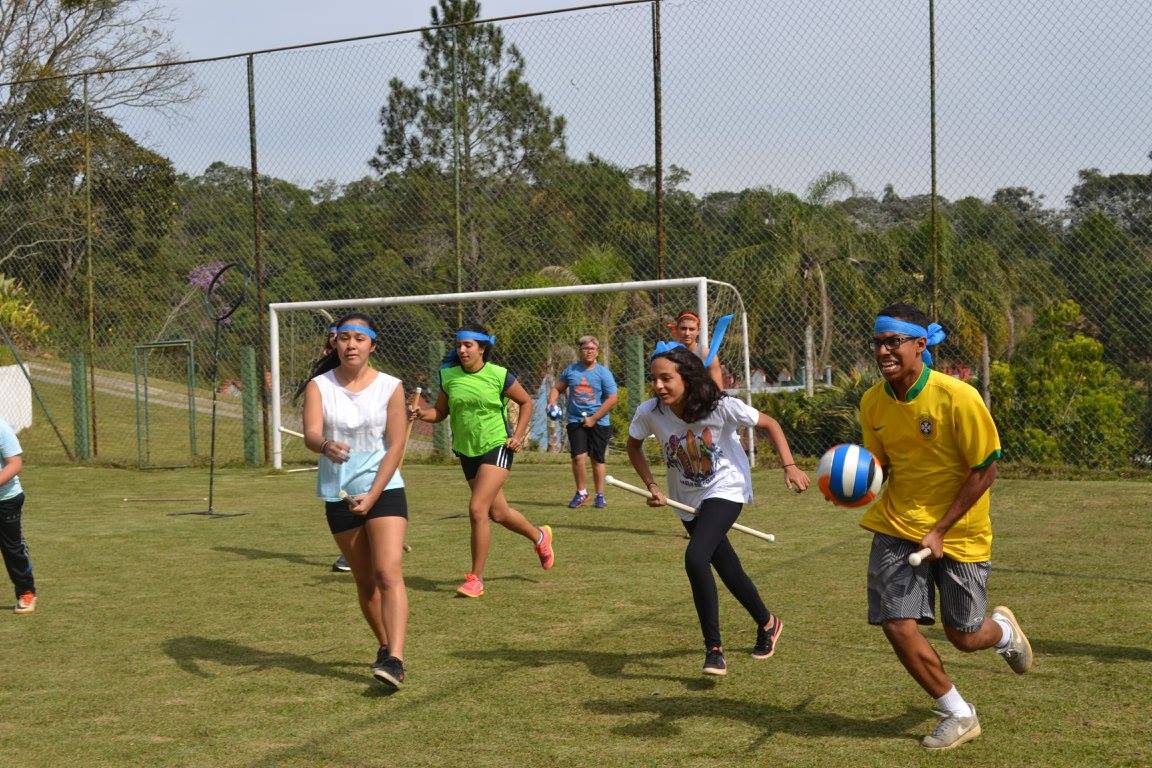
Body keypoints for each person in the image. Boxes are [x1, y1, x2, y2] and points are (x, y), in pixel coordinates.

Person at [859, 303, 1033, 751]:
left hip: (960, 533)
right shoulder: (873, 402)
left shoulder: (959, 397)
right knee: (897, 623)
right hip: (898, 525)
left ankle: (1005, 633)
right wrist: (856, 481)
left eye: (893, 342)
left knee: (965, 635)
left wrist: (939, 530)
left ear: (920, 344)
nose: (883, 351)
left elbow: (985, 470)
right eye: (878, 342)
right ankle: (958, 711)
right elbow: (882, 464)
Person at [625, 343, 810, 676]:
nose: (658, 386)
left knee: (696, 557)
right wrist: (652, 486)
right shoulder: (650, 412)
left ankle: (714, 649)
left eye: (666, 378)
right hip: (686, 500)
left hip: (727, 488)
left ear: (687, 376)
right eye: (653, 379)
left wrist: (790, 466)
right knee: (728, 568)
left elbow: (769, 424)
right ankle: (768, 623)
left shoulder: (720, 406)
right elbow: (633, 445)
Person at [300, 312, 410, 688]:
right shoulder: (319, 386)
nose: (351, 345)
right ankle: (383, 646)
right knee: (366, 582)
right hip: (340, 493)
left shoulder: (391, 386)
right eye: (344, 338)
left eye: (359, 339)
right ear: (335, 343)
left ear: (372, 345)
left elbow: (396, 445)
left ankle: (396, 659)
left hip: (385, 489)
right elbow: (311, 434)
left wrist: (375, 493)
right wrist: (326, 445)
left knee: (387, 572)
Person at [410, 324, 555, 598]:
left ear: (482, 348)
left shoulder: (499, 375)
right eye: (459, 345)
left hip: (497, 445)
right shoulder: (448, 376)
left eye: (468, 345)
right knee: (497, 513)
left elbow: (526, 402)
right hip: (467, 451)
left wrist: (519, 436)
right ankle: (540, 537)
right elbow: (439, 412)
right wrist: (420, 413)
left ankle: (476, 578)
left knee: (477, 509)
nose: (462, 350)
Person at [547, 335, 619, 509]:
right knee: (578, 457)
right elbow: (557, 388)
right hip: (575, 420)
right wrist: (551, 403)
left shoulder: (603, 373)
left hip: (599, 422)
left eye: (592, 349)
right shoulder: (571, 371)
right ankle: (581, 493)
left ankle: (600, 495)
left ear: (597, 352)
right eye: (585, 349)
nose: (589, 352)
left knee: (597, 459)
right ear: (580, 351)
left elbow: (612, 398)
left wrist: (594, 418)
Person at [1, 417, 35, 615]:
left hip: (6, 500)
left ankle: (26, 592)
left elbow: (15, 464)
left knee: (12, 548)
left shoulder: (1, 428)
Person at [668, 310, 724, 389]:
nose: (687, 333)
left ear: (698, 331)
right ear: (677, 329)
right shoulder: (668, 354)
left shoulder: (707, 355)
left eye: (692, 329)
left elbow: (718, 389)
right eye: (683, 328)